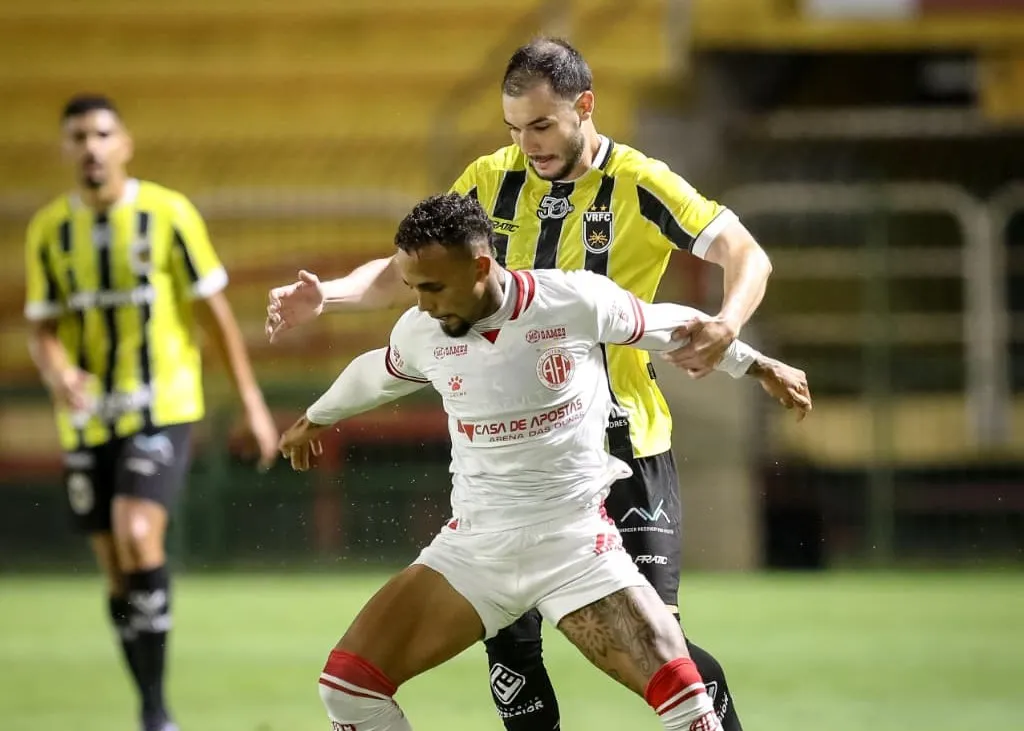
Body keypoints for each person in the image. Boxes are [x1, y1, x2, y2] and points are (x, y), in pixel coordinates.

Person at [266, 38, 776, 731]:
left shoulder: (641, 183)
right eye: (514, 128)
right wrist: (326, 294)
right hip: (513, 459)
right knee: (509, 649)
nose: (527, 144)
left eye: (541, 126)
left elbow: (744, 251)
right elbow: (410, 270)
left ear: (583, 107)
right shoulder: (489, 179)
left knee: (663, 650)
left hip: (623, 442)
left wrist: (728, 323)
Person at [23, 94, 280, 731]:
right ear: (66, 149)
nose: (90, 146)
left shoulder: (168, 215)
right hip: (86, 418)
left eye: (102, 133)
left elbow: (213, 313)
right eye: (78, 136)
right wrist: (58, 371)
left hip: (161, 404)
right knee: (115, 568)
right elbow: (42, 327)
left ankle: (157, 711)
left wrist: (251, 402)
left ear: (124, 144)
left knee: (138, 534)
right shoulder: (49, 231)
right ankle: (147, 701)